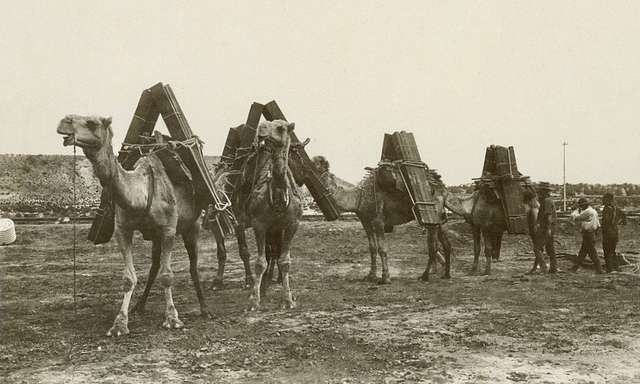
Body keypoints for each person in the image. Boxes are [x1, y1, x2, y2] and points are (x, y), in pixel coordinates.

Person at [528, 182, 558, 274]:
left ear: (544, 192)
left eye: (540, 192)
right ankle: (553, 268)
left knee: (537, 248)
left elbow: (548, 216)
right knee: (550, 249)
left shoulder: (547, 201)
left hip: (546, 227)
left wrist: (547, 229)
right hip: (549, 227)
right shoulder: (546, 200)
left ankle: (543, 267)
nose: (538, 194)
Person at [569, 197, 603, 274]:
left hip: (588, 234)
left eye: (581, 205)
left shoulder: (587, 212)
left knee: (592, 253)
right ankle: (575, 267)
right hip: (591, 233)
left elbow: (575, 218)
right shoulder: (594, 211)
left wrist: (576, 210)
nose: (581, 207)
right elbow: (598, 225)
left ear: (584, 205)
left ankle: (599, 269)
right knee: (583, 252)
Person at [601, 192, 627, 273]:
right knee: (612, 251)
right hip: (615, 233)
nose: (603, 200)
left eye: (604, 199)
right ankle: (617, 267)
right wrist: (621, 222)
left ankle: (610, 269)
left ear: (608, 200)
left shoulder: (606, 209)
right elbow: (624, 215)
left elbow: (606, 220)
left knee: (607, 251)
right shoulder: (616, 208)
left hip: (608, 234)